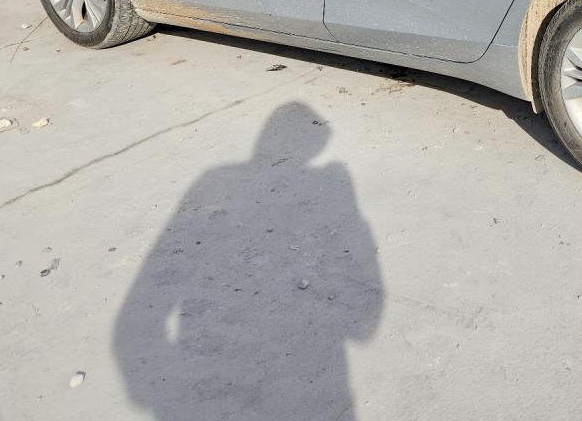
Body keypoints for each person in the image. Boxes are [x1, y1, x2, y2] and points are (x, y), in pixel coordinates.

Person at [114, 102, 382, 420]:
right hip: (307, 369)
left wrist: (143, 377)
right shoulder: (329, 179)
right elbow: (364, 320)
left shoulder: (215, 178)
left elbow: (144, 306)